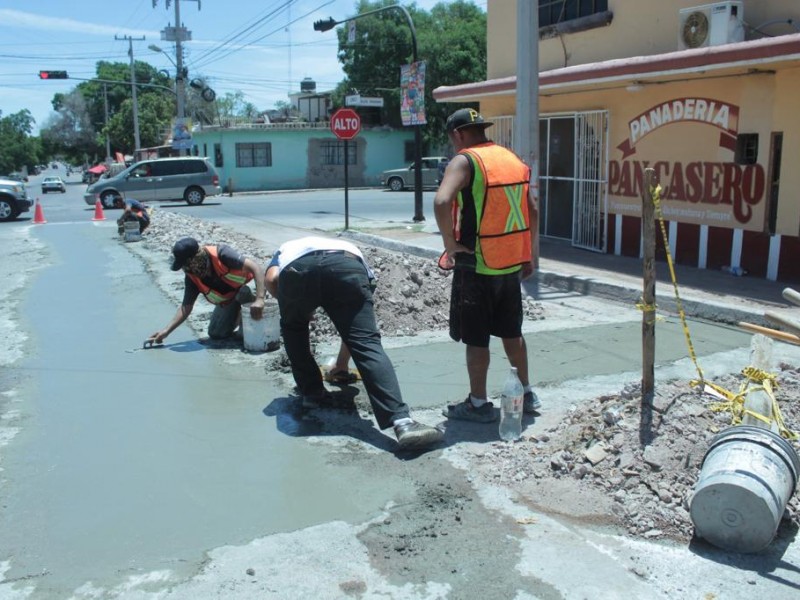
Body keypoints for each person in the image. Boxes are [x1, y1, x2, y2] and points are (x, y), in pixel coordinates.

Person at [265, 236, 444, 450]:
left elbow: (271, 278)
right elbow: (355, 332)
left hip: (298, 270)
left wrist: (293, 306)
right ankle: (402, 423)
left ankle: (312, 394)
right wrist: (342, 365)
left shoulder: (286, 248)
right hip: (347, 268)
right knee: (366, 342)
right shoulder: (353, 255)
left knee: (294, 330)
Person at [433, 108, 541, 423]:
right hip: (509, 263)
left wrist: (450, 246)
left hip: (477, 264)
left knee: (476, 337)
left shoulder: (466, 161)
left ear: (458, 134)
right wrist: (529, 254)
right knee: (512, 331)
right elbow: (532, 209)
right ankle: (527, 393)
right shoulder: (510, 159)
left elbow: (441, 201)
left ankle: (478, 404)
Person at [147, 237, 266, 345]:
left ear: (195, 258)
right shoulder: (192, 277)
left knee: (244, 292)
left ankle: (251, 322)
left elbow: (255, 267)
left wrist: (260, 299)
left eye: (185, 264)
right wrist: (166, 332)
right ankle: (239, 318)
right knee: (216, 333)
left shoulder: (221, 254)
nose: (185, 269)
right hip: (230, 299)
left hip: (250, 290)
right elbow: (185, 308)